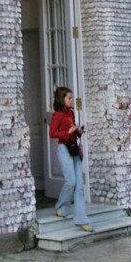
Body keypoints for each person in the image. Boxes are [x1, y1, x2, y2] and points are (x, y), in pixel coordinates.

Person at [49, 85, 93, 232]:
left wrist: (78, 132)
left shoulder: (71, 113)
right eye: (68, 98)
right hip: (64, 148)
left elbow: (73, 131)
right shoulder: (57, 115)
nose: (71, 100)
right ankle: (61, 206)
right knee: (71, 181)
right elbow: (52, 133)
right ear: (62, 99)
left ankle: (82, 219)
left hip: (74, 148)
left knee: (79, 185)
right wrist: (67, 132)